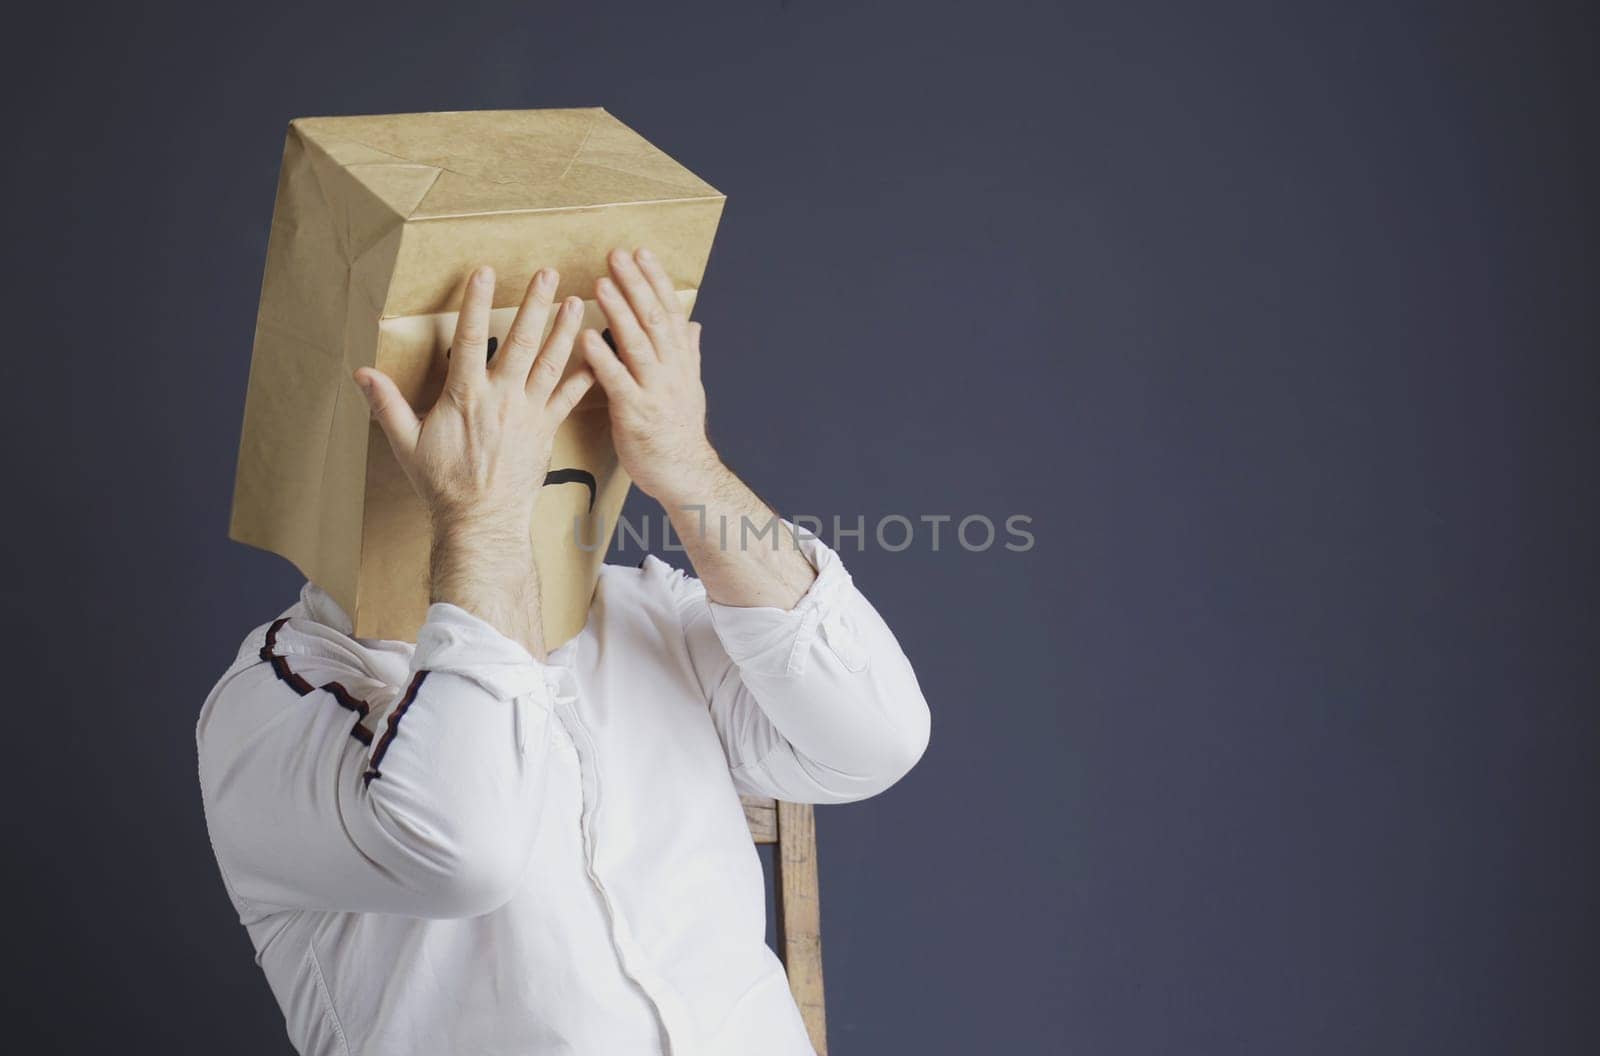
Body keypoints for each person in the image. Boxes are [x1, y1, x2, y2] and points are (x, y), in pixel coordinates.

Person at [196, 247, 931, 1055]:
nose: (527, 433)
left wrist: (690, 466)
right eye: (488, 410)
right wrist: (477, 517)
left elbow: (873, 738)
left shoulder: (651, 615)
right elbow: (462, 851)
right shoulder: (271, 704)